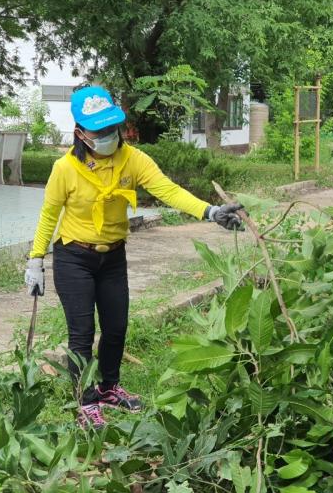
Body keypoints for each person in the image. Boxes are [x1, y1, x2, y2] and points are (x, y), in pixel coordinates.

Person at [24, 85, 243, 428]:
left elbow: (168, 190)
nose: (109, 136)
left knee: (116, 327)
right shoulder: (64, 169)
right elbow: (49, 215)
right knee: (81, 334)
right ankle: (85, 401)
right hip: (74, 257)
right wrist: (36, 261)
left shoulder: (134, 159)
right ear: (80, 133)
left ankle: (109, 387)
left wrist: (209, 211)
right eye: (100, 131)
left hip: (112, 256)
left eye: (113, 128)